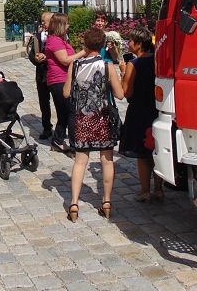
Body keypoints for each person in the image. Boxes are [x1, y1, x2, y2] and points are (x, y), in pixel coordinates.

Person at [63, 27, 124, 222]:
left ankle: (73, 203)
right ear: (102, 45)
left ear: (85, 45)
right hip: (103, 118)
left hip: (83, 118)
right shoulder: (107, 66)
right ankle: (106, 201)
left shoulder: (76, 65)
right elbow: (120, 94)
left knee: (80, 161)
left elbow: (66, 93)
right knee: (107, 160)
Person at [120, 27, 163, 202]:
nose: (128, 43)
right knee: (156, 150)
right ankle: (159, 189)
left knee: (142, 154)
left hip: (139, 110)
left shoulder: (133, 64)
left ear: (138, 44)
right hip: (156, 108)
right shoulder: (157, 60)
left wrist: (123, 72)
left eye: (130, 41)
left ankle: (145, 190)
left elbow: (126, 92)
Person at [44, 13, 86, 153]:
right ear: (61, 25)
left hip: (64, 79)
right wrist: (84, 52)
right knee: (71, 113)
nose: (69, 26)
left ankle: (57, 141)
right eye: (67, 23)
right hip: (59, 81)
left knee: (63, 114)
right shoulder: (55, 40)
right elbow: (65, 60)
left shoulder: (60, 39)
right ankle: (75, 146)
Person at [28, 12, 54, 140]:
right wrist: (35, 59)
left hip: (54, 74)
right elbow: (31, 54)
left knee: (59, 101)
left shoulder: (60, 36)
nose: (43, 23)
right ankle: (46, 127)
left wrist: (46, 58)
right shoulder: (37, 36)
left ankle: (62, 126)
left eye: (45, 21)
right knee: (44, 102)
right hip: (41, 74)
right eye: (42, 21)